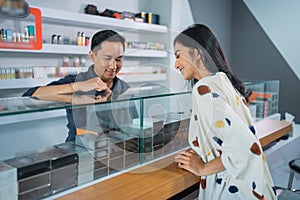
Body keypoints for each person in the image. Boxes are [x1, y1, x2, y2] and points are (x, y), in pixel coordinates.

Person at [174, 24, 276, 199]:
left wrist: (202, 168)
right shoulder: (222, 81)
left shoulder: (203, 89)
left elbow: (245, 147)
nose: (176, 65)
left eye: (178, 56)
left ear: (197, 53)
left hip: (231, 189)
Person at [23, 30, 137, 142]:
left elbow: (134, 126)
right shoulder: (76, 81)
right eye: (107, 58)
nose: (113, 66)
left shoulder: (125, 88)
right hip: (79, 151)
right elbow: (28, 99)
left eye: (118, 59)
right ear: (92, 56)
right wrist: (76, 87)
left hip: (116, 152)